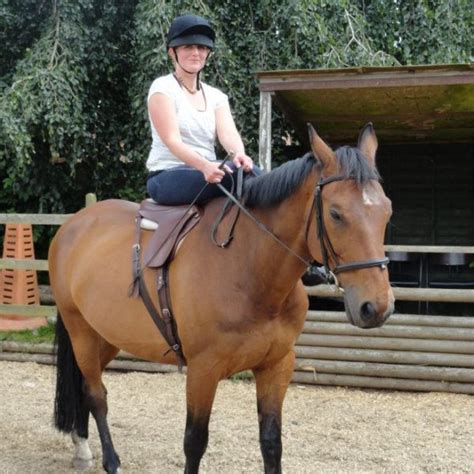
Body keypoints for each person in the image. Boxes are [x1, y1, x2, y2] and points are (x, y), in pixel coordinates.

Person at [146, 14, 260, 206]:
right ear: (172, 52)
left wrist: (239, 154)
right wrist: (204, 166)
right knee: (234, 177)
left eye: (201, 47)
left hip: (208, 171)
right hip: (167, 175)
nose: (196, 53)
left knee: (254, 173)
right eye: (188, 47)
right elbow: (173, 141)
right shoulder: (162, 88)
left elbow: (229, 134)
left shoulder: (217, 96)